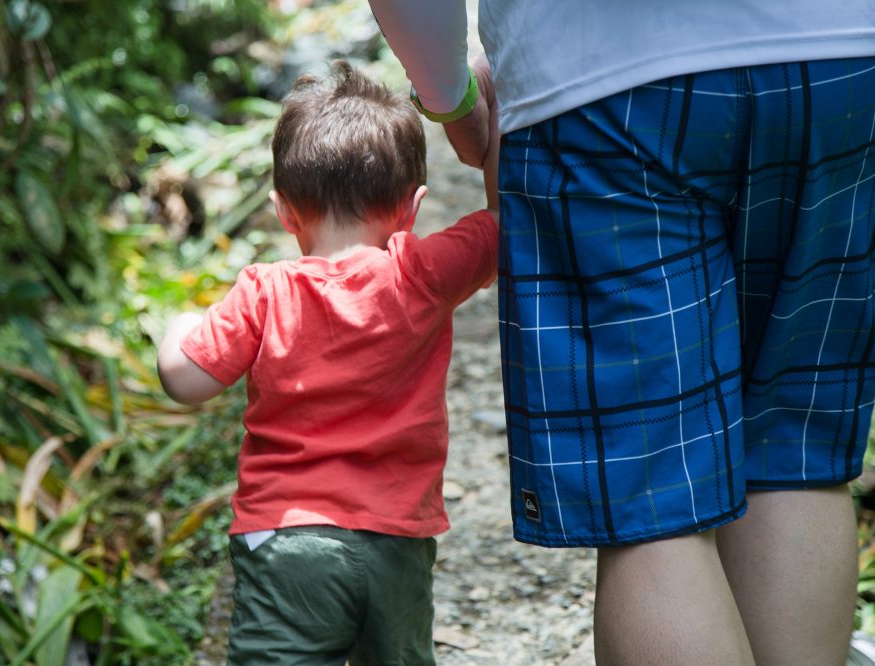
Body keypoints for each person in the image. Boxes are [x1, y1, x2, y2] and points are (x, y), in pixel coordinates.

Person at [368, 1, 875, 664]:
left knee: (649, 491)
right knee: (792, 445)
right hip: (841, 59)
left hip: (601, 87)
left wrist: (449, 95)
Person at [156, 61, 498, 665]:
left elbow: (185, 380)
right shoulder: (422, 274)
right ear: (413, 207)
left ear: (285, 212)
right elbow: (509, 222)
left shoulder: (265, 292)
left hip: (285, 539)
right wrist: (493, 120)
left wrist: (179, 327)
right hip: (398, 538)